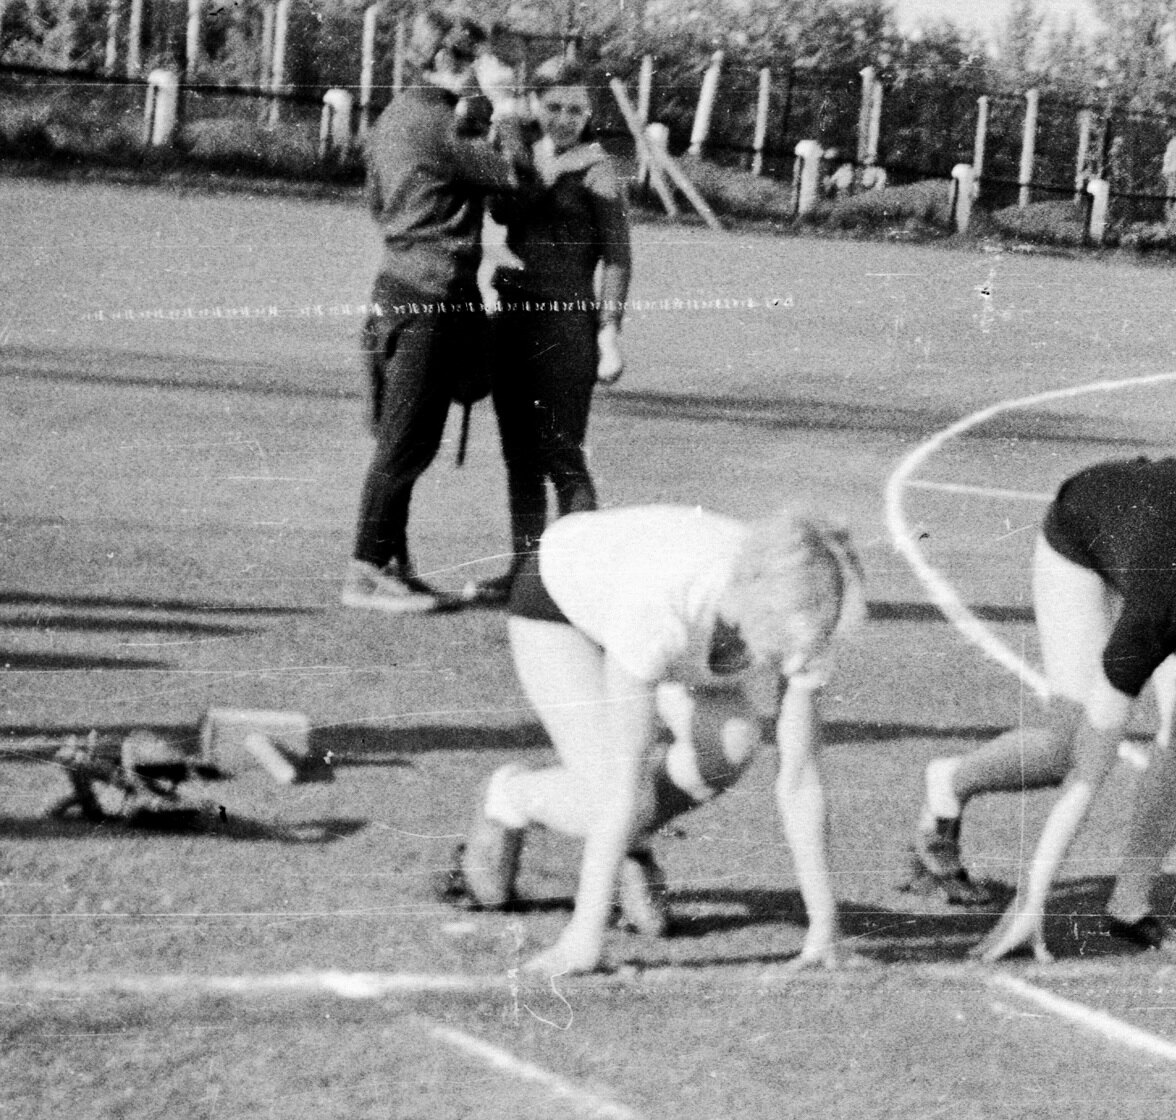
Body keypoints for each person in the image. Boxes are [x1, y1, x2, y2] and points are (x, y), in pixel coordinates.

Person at [448, 505, 868, 979]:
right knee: (611, 794)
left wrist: (825, 928)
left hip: (653, 617)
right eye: (785, 636)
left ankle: (628, 841)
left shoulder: (805, 619)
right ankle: (509, 795)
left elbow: (800, 779)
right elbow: (623, 786)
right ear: (755, 597)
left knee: (732, 741)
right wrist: (584, 941)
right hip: (559, 599)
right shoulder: (665, 603)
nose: (798, 654)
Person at [947, 456, 1176, 963]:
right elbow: (1091, 770)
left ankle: (1129, 904)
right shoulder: (1161, 610)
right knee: (1071, 741)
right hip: (1086, 526)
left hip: (1168, 541)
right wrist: (1030, 906)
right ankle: (947, 787)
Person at [344, 5, 545, 614]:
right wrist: (507, 110)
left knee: (400, 437)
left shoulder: (394, 117)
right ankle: (367, 570)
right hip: (432, 294)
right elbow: (522, 180)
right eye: (475, 58)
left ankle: (392, 562)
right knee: (406, 444)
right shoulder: (441, 126)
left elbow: (377, 200)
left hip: (396, 287)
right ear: (447, 61)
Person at [485, 53, 630, 578]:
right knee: (518, 455)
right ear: (535, 104)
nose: (564, 119)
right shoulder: (520, 155)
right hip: (514, 321)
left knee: (561, 453)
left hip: (567, 327)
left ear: (589, 111)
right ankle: (525, 576)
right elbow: (502, 213)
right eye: (553, 107)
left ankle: (579, 581)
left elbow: (617, 257)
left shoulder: (600, 168)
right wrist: (513, 147)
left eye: (575, 109)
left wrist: (610, 333)